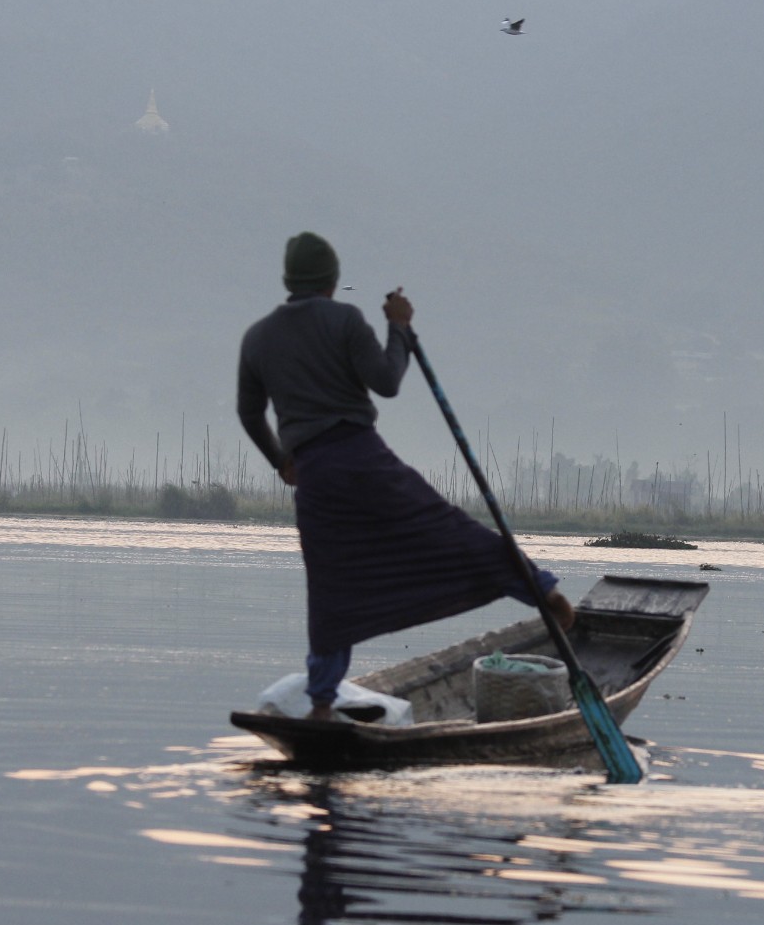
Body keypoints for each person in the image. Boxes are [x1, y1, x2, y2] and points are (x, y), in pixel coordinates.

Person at [237, 231, 574, 722]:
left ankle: (323, 704)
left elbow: (249, 414)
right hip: (363, 460)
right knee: (449, 530)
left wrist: (281, 460)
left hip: (315, 476)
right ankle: (544, 593)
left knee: (331, 587)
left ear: (289, 281)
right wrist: (399, 327)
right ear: (331, 281)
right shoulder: (346, 319)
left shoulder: (258, 336)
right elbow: (388, 382)